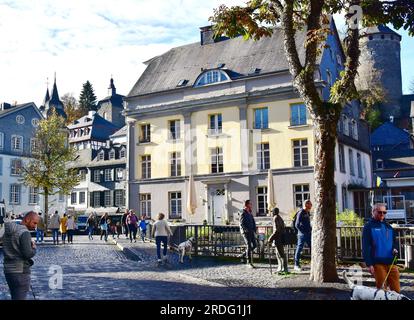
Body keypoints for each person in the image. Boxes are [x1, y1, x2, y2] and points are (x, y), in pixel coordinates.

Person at [362, 203, 400, 292]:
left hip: (391, 263)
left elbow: (394, 242)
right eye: (379, 212)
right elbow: (366, 246)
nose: (382, 214)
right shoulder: (368, 227)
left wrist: (395, 248)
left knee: (397, 291)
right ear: (373, 212)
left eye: (384, 212)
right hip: (377, 264)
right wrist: (369, 264)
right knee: (382, 291)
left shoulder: (389, 227)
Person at [1, 211, 39, 300]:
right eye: (34, 222)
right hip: (21, 272)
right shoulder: (24, 232)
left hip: (8, 271)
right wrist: (33, 248)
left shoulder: (8, 230)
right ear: (27, 219)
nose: (35, 226)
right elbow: (27, 254)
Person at [268, 207, 288, 274]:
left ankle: (283, 269)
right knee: (279, 253)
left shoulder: (275, 218)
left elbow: (276, 230)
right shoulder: (279, 218)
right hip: (280, 238)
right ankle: (281, 268)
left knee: (280, 254)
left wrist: (270, 238)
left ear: (274, 212)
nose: (271, 213)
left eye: (272, 212)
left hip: (278, 238)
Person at [294, 199, 312, 271]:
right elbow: (297, 224)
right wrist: (303, 231)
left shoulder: (307, 212)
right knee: (299, 248)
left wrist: (310, 229)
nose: (311, 205)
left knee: (312, 247)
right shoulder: (301, 212)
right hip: (302, 234)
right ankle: (296, 265)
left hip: (308, 233)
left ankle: (314, 263)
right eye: (310, 204)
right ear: (306, 205)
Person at [239, 200, 257, 268]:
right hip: (246, 232)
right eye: (250, 204)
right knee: (249, 246)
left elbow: (253, 222)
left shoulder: (250, 212)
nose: (251, 205)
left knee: (255, 245)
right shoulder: (243, 213)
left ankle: (243, 255)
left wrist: (255, 230)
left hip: (251, 231)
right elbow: (241, 223)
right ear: (247, 205)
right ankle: (249, 262)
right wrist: (245, 230)